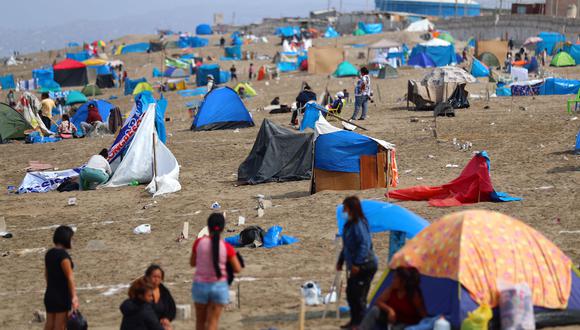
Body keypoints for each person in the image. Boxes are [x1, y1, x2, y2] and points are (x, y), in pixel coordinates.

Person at [190, 213, 242, 330]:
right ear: (223, 228)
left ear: (208, 227)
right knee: (212, 323)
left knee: (200, 323)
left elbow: (192, 263)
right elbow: (237, 268)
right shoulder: (226, 246)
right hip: (219, 287)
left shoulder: (199, 243)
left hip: (200, 286)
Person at [336, 196, 378, 329]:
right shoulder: (349, 224)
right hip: (355, 264)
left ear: (351, 209)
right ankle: (354, 322)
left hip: (365, 265)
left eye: (345, 208)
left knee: (359, 296)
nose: (343, 210)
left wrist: (357, 264)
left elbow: (364, 245)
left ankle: (361, 324)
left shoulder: (358, 224)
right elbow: (347, 245)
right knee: (350, 293)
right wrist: (341, 261)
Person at [359, 267, 427, 330]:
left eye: (395, 278)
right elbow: (378, 301)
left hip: (407, 324)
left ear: (403, 282)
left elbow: (423, 315)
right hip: (392, 319)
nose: (393, 280)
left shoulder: (414, 294)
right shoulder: (392, 288)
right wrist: (390, 310)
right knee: (375, 310)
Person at [44, 225, 78, 330]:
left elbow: (46, 274)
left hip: (50, 293)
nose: (72, 241)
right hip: (61, 295)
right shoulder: (63, 256)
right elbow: (70, 277)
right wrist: (74, 296)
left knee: (49, 325)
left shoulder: (49, 254)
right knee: (60, 326)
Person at [144, 265, 176, 329]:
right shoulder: (142, 291)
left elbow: (172, 308)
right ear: (147, 277)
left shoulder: (164, 291)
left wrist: (166, 318)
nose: (156, 279)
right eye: (154, 276)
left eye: (159, 277)